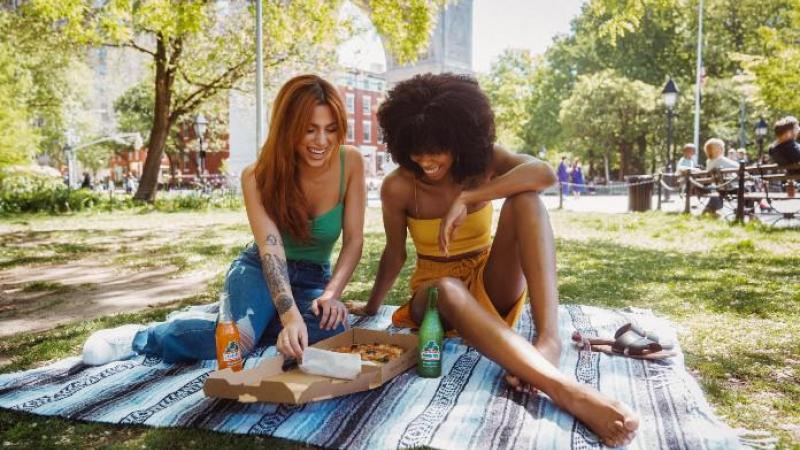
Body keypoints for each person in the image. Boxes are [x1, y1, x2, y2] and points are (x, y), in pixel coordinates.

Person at [360, 73, 638, 447]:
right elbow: (395, 254)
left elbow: (543, 174)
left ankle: (549, 338)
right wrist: (371, 306)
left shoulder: (484, 162)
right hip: (434, 297)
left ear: (460, 137)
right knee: (448, 288)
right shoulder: (397, 186)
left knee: (526, 198)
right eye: (415, 148)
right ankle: (566, 391)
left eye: (437, 147)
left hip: (488, 281)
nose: (425, 160)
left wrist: (472, 196)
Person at [81, 74, 366, 365]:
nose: (322, 141)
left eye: (330, 129)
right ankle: (141, 337)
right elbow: (271, 251)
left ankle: (238, 316)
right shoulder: (256, 177)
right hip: (261, 271)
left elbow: (354, 240)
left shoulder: (351, 162)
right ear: (288, 128)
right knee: (237, 345)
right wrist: (290, 315)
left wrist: (331, 295)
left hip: (313, 279)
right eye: (310, 130)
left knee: (333, 330)